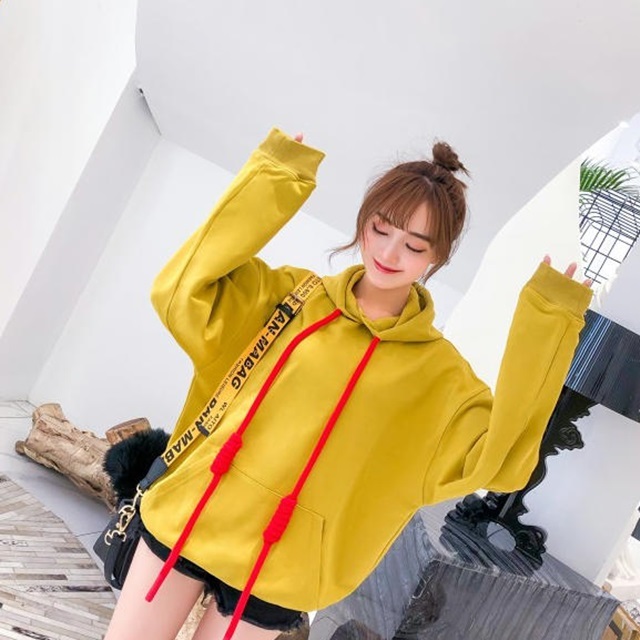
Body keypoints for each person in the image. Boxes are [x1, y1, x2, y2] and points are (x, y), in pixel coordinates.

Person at [104, 128, 592, 640]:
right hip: (193, 513)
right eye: (381, 229)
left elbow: (503, 460)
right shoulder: (290, 296)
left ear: (437, 257)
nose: (389, 252)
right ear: (364, 221)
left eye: (414, 245)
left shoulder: (441, 378)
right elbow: (182, 291)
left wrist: (549, 324)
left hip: (285, 568)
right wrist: (274, 177)